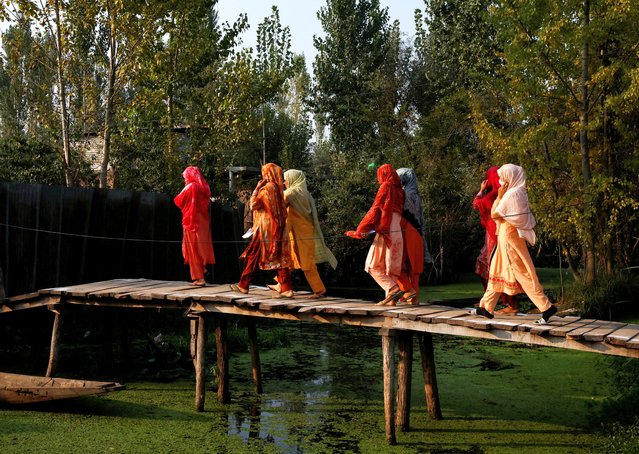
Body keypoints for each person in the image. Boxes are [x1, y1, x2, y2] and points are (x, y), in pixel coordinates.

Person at [470, 164, 557, 324]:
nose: (501, 181)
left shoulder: (513, 194)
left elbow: (495, 214)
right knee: (495, 271)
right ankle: (486, 308)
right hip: (504, 237)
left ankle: (546, 307)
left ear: (511, 177)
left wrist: (499, 197)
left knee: (523, 273)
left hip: (510, 239)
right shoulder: (517, 192)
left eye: (503, 177)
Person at [345, 163, 409, 306]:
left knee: (372, 266)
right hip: (398, 232)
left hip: (387, 231)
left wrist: (360, 230)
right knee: (389, 268)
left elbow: (376, 209)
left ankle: (392, 289)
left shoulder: (386, 187)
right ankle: (390, 302)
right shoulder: (401, 192)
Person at [268, 169, 337, 298]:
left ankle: (319, 290)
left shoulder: (292, 192)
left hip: (302, 235)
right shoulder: (305, 193)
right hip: (301, 232)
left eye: (286, 179)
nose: (284, 182)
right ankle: (280, 284)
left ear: (293, 179)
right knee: (292, 259)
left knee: (307, 263)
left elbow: (277, 202)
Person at [230, 163, 294, 298]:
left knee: (253, 254)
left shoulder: (267, 189)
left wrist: (257, 188)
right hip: (277, 229)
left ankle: (243, 285)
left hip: (265, 229)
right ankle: (286, 288)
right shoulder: (278, 189)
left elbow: (253, 205)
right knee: (278, 256)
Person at [472, 166, 518, 314]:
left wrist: (481, 190)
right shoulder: (506, 192)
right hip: (498, 234)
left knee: (494, 268)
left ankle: (509, 304)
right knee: (490, 267)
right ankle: (492, 300)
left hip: (495, 236)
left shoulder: (493, 194)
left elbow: (476, 204)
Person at [174, 166, 215, 286]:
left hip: (191, 222)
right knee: (199, 247)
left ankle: (199, 277)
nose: (185, 179)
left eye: (185, 177)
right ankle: (202, 270)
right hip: (202, 221)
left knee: (192, 249)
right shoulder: (204, 187)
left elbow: (178, 200)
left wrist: (186, 187)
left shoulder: (191, 186)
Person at [395, 168, 431, 305]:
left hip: (406, 230)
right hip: (417, 231)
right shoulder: (415, 194)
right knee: (413, 267)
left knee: (397, 263)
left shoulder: (404, 194)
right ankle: (413, 298)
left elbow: (401, 213)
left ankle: (408, 291)